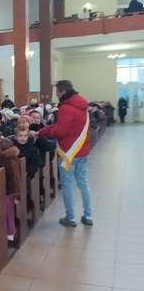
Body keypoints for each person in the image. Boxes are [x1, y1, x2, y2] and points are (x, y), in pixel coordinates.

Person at [36, 80, 92, 227]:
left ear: (62, 91)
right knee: (83, 183)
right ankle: (88, 215)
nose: (56, 94)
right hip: (82, 150)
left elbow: (61, 131)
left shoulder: (66, 107)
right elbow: (65, 126)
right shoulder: (82, 104)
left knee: (67, 184)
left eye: (57, 92)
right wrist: (42, 131)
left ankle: (70, 217)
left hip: (68, 152)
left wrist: (45, 132)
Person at [0, 137, 21, 241]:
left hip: (8, 190)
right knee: (4, 211)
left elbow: (15, 178)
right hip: (2, 189)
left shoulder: (9, 160)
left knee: (8, 211)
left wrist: (16, 194)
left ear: (0, 149)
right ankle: (3, 230)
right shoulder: (1, 158)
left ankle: (10, 233)